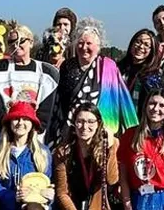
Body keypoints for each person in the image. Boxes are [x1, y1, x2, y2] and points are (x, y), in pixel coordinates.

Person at [51, 103, 118, 210]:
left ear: (98, 124)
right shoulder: (63, 151)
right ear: (74, 124)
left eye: (90, 122)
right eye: (80, 121)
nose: (84, 126)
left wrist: (110, 148)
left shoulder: (107, 146)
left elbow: (112, 179)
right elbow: (61, 193)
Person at [47, 18, 138, 146]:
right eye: (80, 43)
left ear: (98, 46)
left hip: (99, 132)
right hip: (70, 131)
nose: (84, 47)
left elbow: (119, 100)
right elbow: (59, 100)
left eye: (88, 43)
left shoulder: (108, 67)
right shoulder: (67, 66)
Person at [0, 23, 58, 145]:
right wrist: (10, 129)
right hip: (3, 136)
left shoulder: (46, 73)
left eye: (21, 40)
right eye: (12, 41)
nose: (16, 44)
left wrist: (27, 132)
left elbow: (45, 113)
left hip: (33, 138)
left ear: (31, 42)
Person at [117, 29, 160, 112]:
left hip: (139, 117)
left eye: (146, 45)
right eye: (138, 42)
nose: (141, 46)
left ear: (152, 51)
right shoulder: (118, 69)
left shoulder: (153, 77)